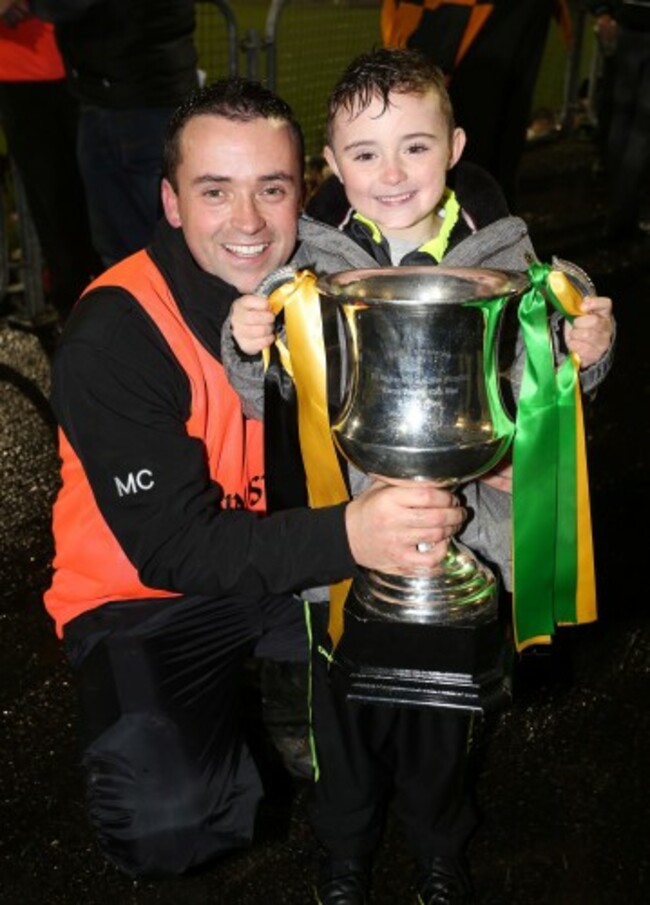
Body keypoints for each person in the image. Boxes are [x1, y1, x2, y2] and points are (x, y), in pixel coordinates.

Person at [43, 76, 468, 880]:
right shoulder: (116, 333)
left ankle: (310, 702)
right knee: (170, 821)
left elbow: (456, 227)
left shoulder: (328, 274)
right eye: (215, 192)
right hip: (147, 594)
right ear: (170, 202)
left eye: (271, 189)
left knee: (416, 665)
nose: (248, 223)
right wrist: (352, 533)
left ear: (304, 188)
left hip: (284, 563)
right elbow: (174, 547)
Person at [223, 48, 615, 904]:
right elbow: (266, 400)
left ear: (456, 144)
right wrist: (248, 340)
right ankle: (344, 851)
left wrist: (587, 340)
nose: (392, 173)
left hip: (467, 534)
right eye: (365, 154)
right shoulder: (309, 267)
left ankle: (441, 846)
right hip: (352, 549)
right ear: (333, 166)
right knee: (346, 717)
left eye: (415, 146)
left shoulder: (504, 247)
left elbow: (548, 358)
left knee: (448, 719)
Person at [30, 0, 200, 268]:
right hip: (149, 88)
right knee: (163, 239)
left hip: (125, 96)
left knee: (130, 249)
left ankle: (150, 307)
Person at [380, 0, 574, 211]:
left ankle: (484, 224)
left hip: (500, 17)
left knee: (488, 145)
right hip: (465, 20)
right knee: (453, 139)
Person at [0, 0, 100, 322]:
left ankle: (110, 304)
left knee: (101, 200)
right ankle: (72, 312)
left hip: (88, 67)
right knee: (52, 202)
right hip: (21, 77)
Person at [586, 0, 650, 240]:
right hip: (630, 26)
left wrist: (602, 11)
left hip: (628, 25)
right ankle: (622, 216)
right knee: (640, 133)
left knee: (621, 124)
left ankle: (617, 209)